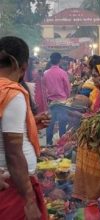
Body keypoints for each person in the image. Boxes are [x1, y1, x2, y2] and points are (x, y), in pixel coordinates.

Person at [0, 36, 48, 219]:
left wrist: (32, 125)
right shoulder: (11, 92)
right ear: (24, 67)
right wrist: (29, 199)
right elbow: (13, 153)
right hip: (13, 185)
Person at [44, 52, 71, 145]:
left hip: (51, 102)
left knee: (50, 124)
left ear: (50, 60)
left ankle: (48, 143)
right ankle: (61, 144)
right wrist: (67, 97)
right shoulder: (63, 73)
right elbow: (67, 87)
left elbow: (44, 88)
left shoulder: (45, 73)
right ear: (59, 60)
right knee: (62, 124)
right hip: (62, 102)